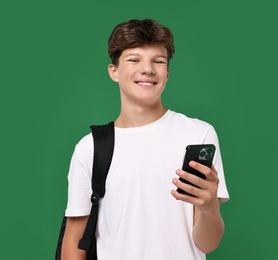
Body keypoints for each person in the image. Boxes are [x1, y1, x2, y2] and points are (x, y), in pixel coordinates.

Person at [61, 18, 229, 260]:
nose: (148, 69)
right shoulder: (90, 148)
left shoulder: (198, 135)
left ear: (167, 73)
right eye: (134, 59)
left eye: (158, 61)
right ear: (114, 72)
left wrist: (209, 208)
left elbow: (207, 244)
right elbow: (74, 241)